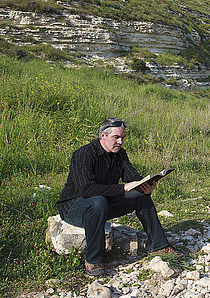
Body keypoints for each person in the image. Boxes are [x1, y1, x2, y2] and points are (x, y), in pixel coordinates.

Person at [56, 118, 178, 276]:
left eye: (122, 138)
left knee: (141, 198)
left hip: (102, 204)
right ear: (102, 135)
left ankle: (159, 245)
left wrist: (145, 186)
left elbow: (132, 177)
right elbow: (86, 190)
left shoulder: (120, 154)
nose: (120, 142)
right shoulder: (84, 154)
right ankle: (93, 260)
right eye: (116, 138)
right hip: (74, 207)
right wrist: (123, 187)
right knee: (97, 201)